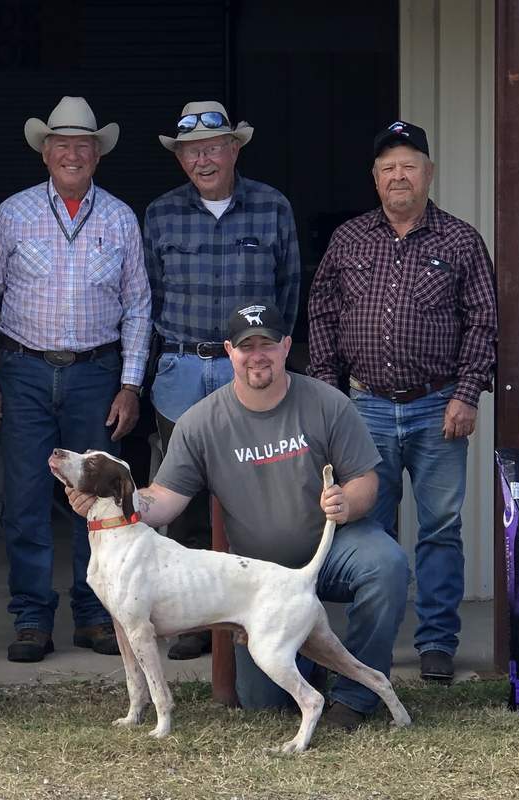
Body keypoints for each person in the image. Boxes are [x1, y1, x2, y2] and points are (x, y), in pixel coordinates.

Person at [67, 301, 408, 730]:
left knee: (387, 564)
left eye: (267, 344)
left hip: (335, 548)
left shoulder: (328, 403)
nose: (257, 356)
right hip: (255, 576)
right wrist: (109, 503)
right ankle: (308, 660)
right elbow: (164, 498)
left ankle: (355, 700)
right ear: (230, 351)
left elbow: (366, 482)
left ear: (287, 346)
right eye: (247, 347)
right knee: (262, 702)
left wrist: (346, 502)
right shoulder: (201, 422)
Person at [307, 121, 497, 682]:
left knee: (440, 528)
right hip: (364, 409)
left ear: (428, 173)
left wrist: (466, 394)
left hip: (439, 408)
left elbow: (484, 321)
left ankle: (437, 642)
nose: (398, 175)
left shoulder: (460, 240)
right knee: (370, 531)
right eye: (388, 167)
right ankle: (375, 646)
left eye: (409, 165)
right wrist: (328, 393)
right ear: (374, 178)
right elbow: (321, 313)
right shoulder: (349, 239)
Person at [0, 96, 151, 663]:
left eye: (83, 146)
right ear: (45, 153)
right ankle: (31, 619)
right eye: (62, 145)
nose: (73, 154)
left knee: (99, 500)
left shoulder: (120, 217)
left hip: (96, 372)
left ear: (97, 155)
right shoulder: (13, 213)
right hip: (21, 370)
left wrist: (131, 383)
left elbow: (138, 304)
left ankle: (95, 616)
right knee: (24, 498)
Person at [143, 100, 302, 660]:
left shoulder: (272, 207)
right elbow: (148, 298)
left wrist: (268, 358)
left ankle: (257, 613)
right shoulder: (160, 214)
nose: (203, 159)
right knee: (180, 495)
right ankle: (193, 620)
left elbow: (288, 294)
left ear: (235, 149)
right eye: (191, 151)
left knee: (255, 489)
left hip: (250, 365)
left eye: (213, 147)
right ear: (181, 159)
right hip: (182, 365)